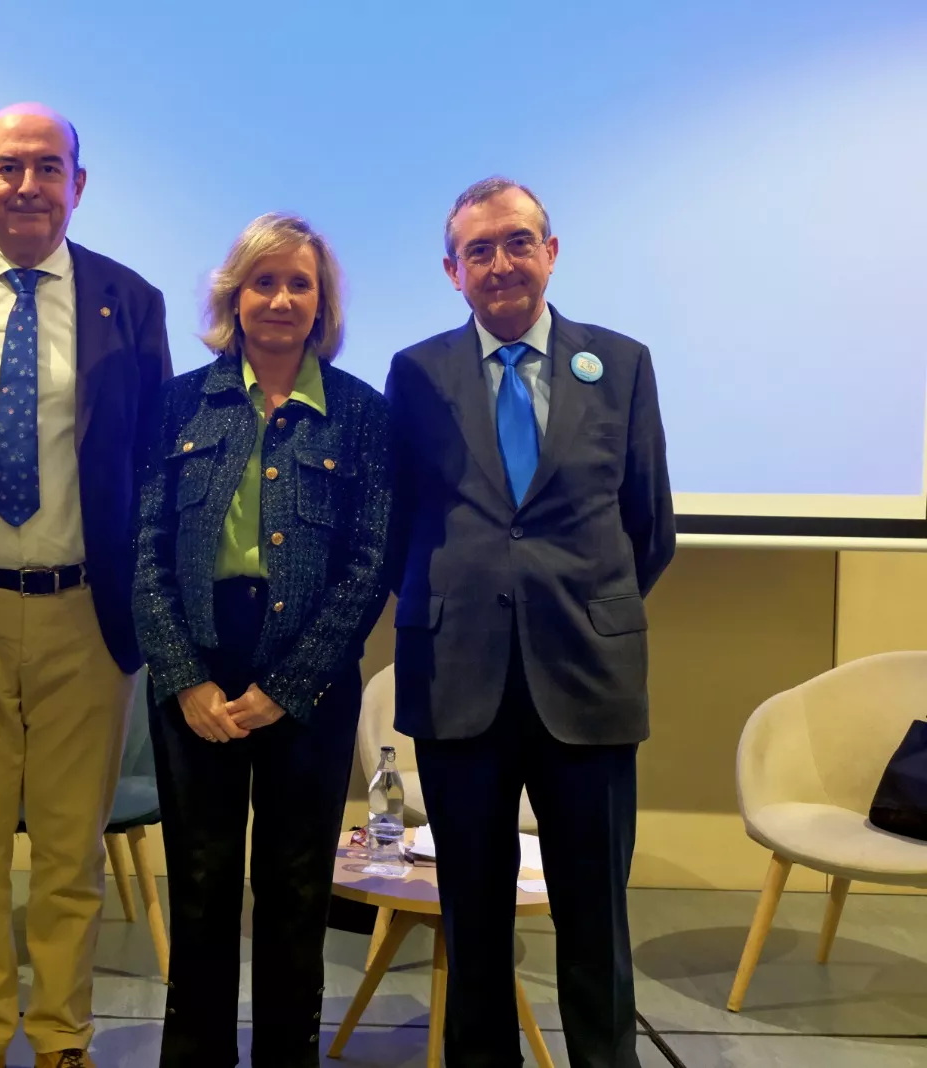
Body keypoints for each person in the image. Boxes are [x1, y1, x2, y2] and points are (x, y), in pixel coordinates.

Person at [0, 103, 171, 1068]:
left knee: (68, 852)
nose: (27, 186)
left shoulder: (129, 300)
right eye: (8, 167)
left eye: (49, 168)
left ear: (78, 186)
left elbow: (151, 466)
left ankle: (60, 1039)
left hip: (83, 616)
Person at [384, 177, 675, 1067]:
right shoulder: (416, 372)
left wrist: (582, 608)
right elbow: (400, 520)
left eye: (517, 242)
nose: (500, 263)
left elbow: (649, 525)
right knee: (473, 916)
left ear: (551, 252)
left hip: (585, 679)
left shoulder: (620, 363)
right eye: (480, 250)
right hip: (458, 680)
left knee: (596, 913)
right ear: (451, 270)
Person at [134, 213, 392, 1068]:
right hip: (199, 668)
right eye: (263, 282)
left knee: (294, 888)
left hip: (309, 679)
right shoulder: (177, 402)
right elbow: (145, 550)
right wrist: (184, 679)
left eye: (299, 284)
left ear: (322, 304)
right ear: (233, 296)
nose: (280, 299)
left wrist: (292, 685)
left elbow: (369, 562)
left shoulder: (361, 414)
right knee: (202, 886)